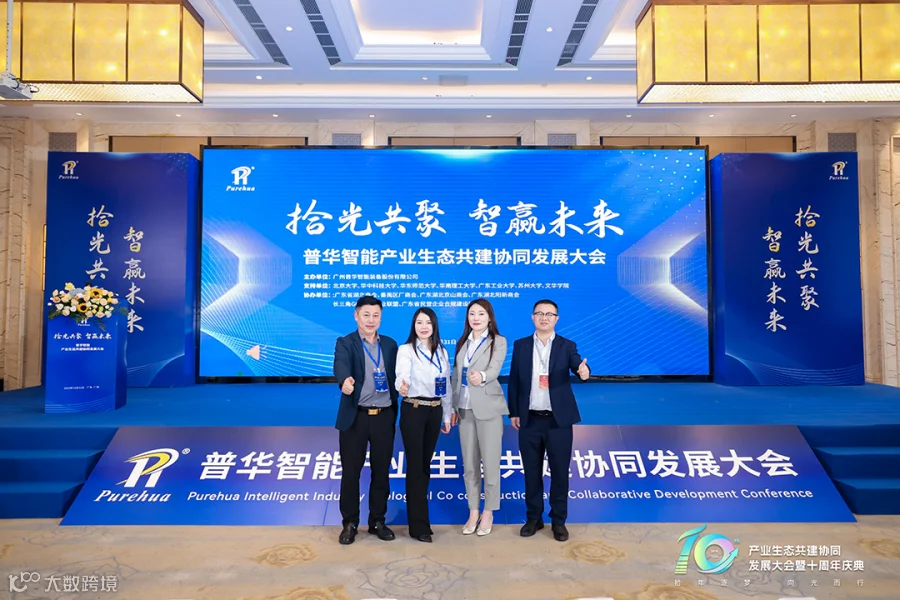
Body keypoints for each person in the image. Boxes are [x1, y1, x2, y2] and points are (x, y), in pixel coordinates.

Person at [508, 299, 590, 542]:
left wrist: (583, 372)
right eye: (540, 313)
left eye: (549, 314)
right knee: (531, 472)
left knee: (560, 473)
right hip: (530, 420)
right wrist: (514, 412)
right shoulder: (521, 345)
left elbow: (577, 365)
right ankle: (534, 518)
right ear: (532, 317)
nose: (544, 318)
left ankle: (558, 521)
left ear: (557, 319)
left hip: (558, 421)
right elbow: (514, 381)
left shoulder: (567, 345)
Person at [333, 295, 399, 545]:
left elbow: (399, 374)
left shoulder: (390, 345)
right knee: (351, 472)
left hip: (384, 416)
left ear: (381, 317)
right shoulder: (345, 342)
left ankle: (377, 521)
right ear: (356, 315)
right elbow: (340, 365)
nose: (371, 320)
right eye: (366, 315)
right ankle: (350, 523)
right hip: (356, 417)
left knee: (381, 472)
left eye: (376, 315)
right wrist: (345, 381)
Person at [451, 298, 508, 537]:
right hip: (464, 409)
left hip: (488, 409)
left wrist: (482, 376)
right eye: (472, 313)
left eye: (481, 314)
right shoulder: (462, 342)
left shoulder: (498, 341)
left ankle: (488, 511)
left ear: (489, 318)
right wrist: (452, 407)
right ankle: (473, 511)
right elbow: (456, 376)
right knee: (470, 465)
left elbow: (495, 369)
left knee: (490, 463)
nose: (476, 318)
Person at [395, 307, 453, 543]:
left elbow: (446, 384)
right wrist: (402, 385)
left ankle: (421, 521)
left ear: (434, 325)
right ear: (413, 325)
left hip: (434, 410)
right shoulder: (406, 350)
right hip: (414, 409)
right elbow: (401, 374)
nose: (424, 327)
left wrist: (447, 415)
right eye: (419, 322)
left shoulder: (442, 351)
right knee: (416, 467)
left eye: (428, 322)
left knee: (425, 465)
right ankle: (418, 526)